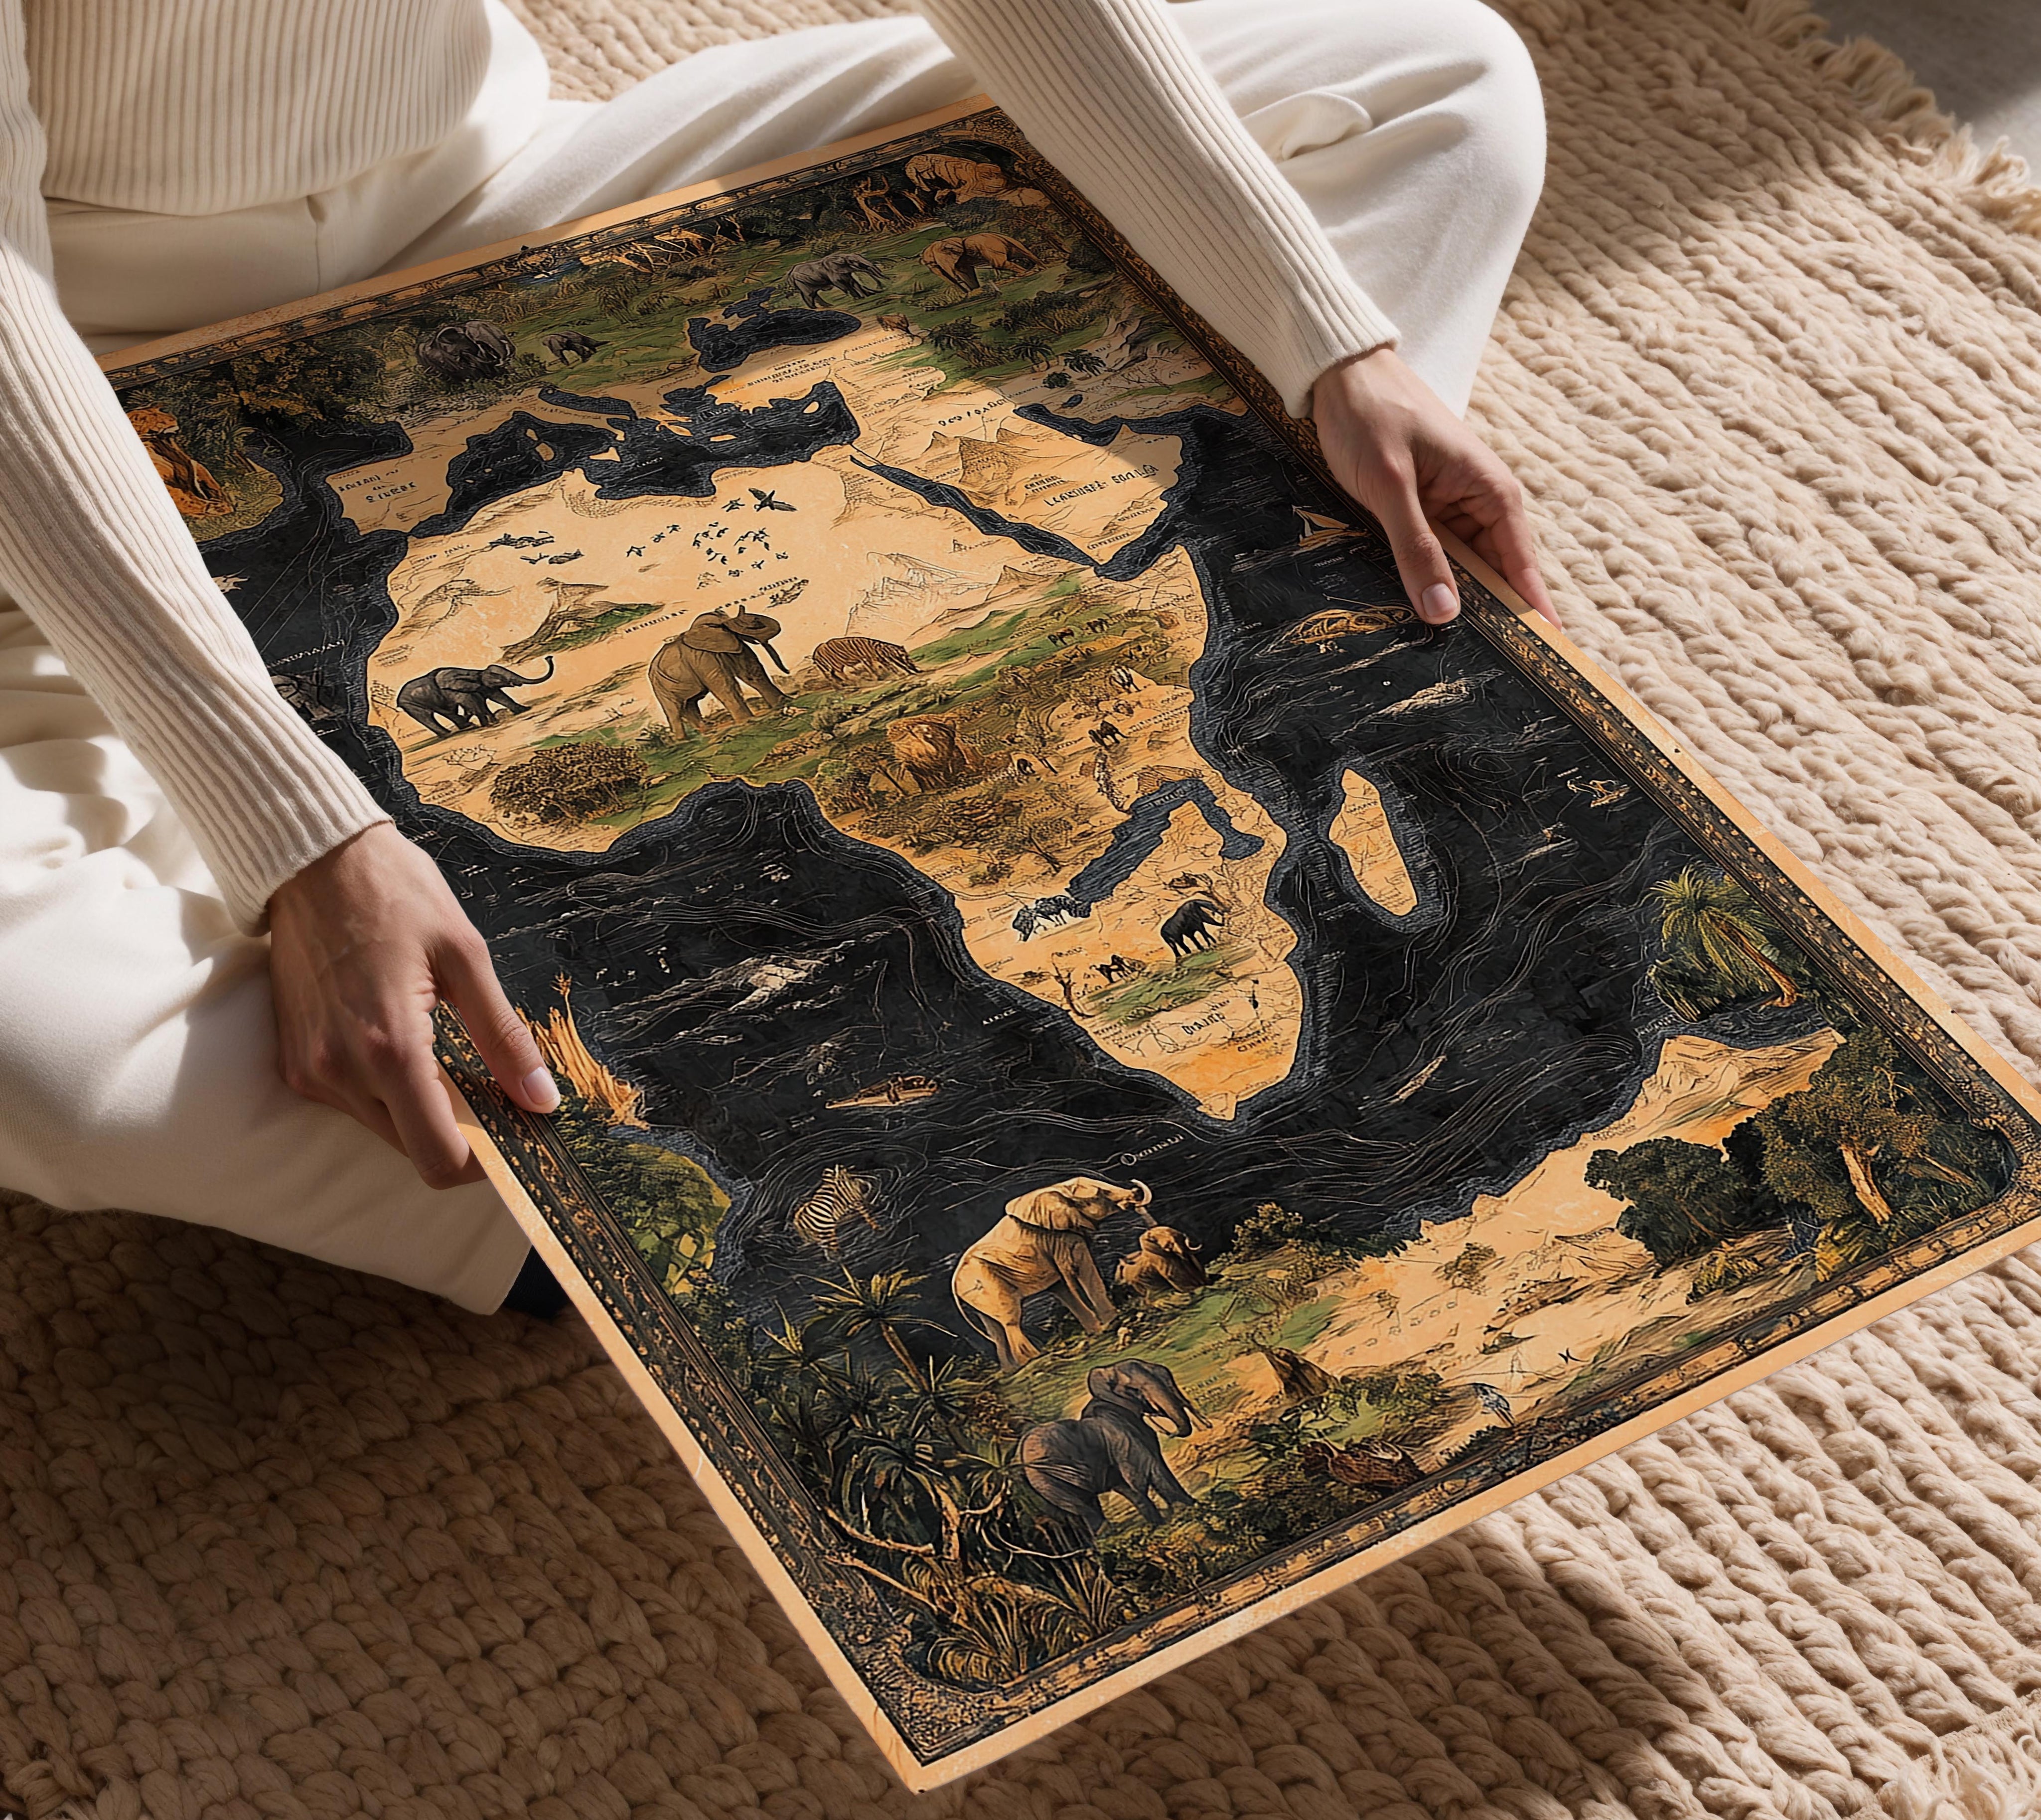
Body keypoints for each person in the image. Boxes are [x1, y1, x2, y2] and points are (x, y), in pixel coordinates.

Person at [0, 0, 1550, 1313]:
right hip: (68, 353)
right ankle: (628, 1223)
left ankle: (1259, 566)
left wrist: (1327, 345)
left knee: (1430, 80)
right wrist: (299, 834)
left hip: (490, 210)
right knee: (60, 1068)